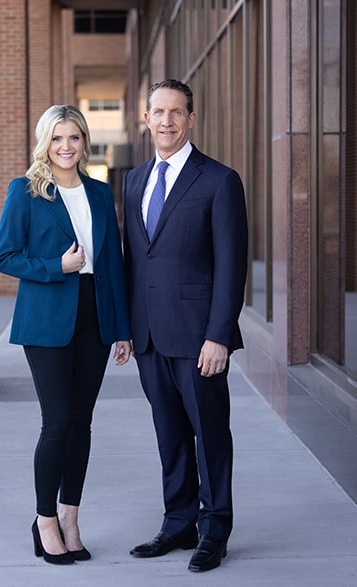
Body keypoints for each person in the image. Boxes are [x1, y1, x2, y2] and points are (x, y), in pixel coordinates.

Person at [0, 104, 131, 566]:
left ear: (84, 141)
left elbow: (112, 263)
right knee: (56, 423)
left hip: (94, 317)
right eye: (57, 138)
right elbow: (6, 257)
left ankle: (71, 517)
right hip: (48, 318)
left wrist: (121, 328)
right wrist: (57, 267)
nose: (66, 147)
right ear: (44, 142)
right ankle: (44, 519)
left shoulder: (99, 192)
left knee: (81, 422)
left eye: (73, 137)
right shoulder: (26, 191)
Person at [123, 79, 248, 573]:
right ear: (146, 118)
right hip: (150, 337)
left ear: (191, 119)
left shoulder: (219, 180)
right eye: (159, 111)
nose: (167, 121)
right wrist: (127, 328)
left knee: (210, 434)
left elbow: (231, 265)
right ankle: (178, 523)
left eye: (177, 112)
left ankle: (214, 529)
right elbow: (137, 261)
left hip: (200, 339)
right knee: (169, 434)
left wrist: (220, 333)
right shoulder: (133, 181)